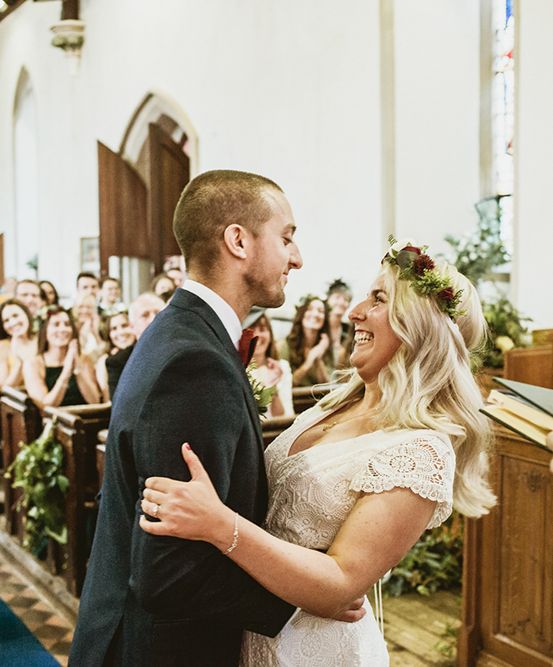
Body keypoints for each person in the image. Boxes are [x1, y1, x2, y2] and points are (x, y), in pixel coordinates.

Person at [140, 240, 496, 665]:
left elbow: (341, 583)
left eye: (379, 299)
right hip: (250, 624)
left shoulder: (421, 449)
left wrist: (218, 524)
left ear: (420, 329)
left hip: (314, 649)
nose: (353, 312)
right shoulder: (334, 403)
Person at [71, 170, 359, 667]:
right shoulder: (194, 363)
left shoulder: (181, 332)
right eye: (287, 237)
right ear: (238, 240)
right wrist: (306, 599)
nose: (297, 257)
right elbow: (169, 573)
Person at [23, 306, 101, 409]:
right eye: (56, 325)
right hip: (54, 421)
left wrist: (78, 369)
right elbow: (45, 407)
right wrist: (66, 372)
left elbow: (95, 401)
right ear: (45, 331)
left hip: (84, 418)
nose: (63, 329)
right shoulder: (33, 364)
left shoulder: (84, 359)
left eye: (67, 324)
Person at [103, 292, 166, 399]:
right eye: (145, 315)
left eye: (158, 313)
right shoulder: (118, 362)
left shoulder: (184, 351)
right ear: (132, 327)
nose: (153, 319)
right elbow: (120, 409)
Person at [246, 310, 294, 418]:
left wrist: (273, 388)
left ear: (270, 334)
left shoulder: (282, 367)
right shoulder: (238, 370)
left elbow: (285, 416)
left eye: (262, 329)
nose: (257, 335)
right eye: (251, 329)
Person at [283, 294, 334, 386]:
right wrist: (309, 361)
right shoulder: (284, 345)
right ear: (302, 315)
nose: (315, 314)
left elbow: (327, 387)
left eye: (321, 311)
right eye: (310, 309)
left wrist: (318, 358)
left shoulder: (325, 345)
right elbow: (287, 384)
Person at [0, 299, 38, 390]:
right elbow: (3, 388)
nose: (13, 322)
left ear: (26, 314)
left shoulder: (40, 339)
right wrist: (20, 364)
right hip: (18, 400)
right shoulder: (1, 347)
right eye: (6, 320)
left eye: (16, 316)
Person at [96, 310, 136, 402]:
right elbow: (108, 399)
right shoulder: (105, 361)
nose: (120, 332)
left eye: (124, 326)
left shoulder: (144, 350)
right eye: (114, 329)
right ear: (109, 335)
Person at [326, 278, 354, 369]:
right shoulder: (319, 326)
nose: (341, 302)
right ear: (328, 300)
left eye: (346, 299)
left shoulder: (349, 330)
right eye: (337, 297)